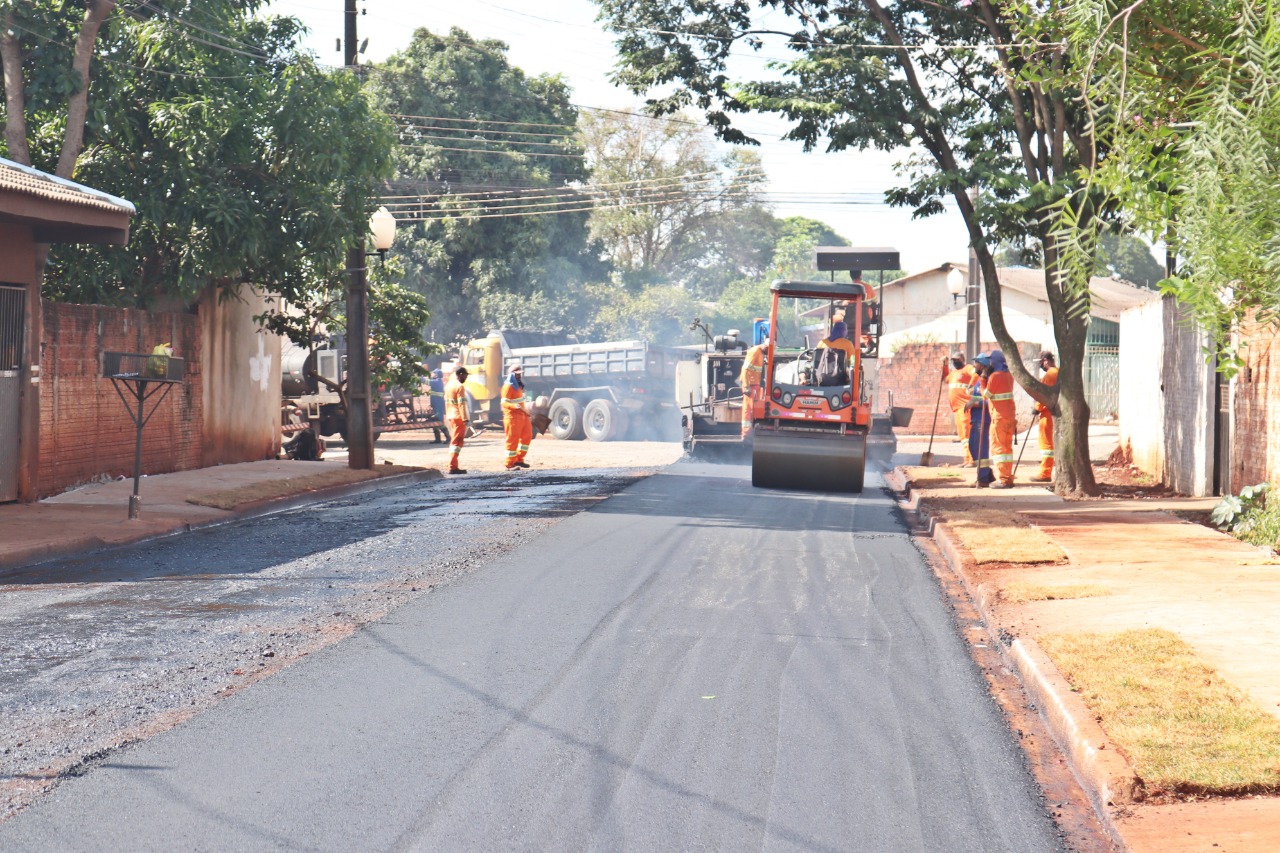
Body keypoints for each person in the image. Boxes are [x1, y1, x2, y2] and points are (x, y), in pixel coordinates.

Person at [984, 350, 1017, 488]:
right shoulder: (1009, 375)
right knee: (1007, 449)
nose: (989, 363)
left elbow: (986, 395)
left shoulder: (995, 376)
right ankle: (1008, 478)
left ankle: (1003, 479)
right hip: (1010, 417)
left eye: (991, 361)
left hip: (999, 418)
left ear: (995, 362)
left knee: (998, 448)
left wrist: (982, 380)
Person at [943, 352, 976, 466]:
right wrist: (945, 365)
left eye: (957, 359)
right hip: (957, 409)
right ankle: (967, 459)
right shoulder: (953, 373)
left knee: (967, 433)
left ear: (962, 359)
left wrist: (971, 385)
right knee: (963, 436)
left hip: (964, 407)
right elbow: (945, 379)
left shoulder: (967, 368)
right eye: (953, 360)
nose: (955, 362)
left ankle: (971, 459)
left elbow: (976, 374)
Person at [967, 353, 995, 487]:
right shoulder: (980, 380)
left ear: (983, 365)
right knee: (973, 446)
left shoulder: (989, 380)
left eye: (976, 363)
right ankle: (986, 473)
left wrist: (974, 404)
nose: (974, 365)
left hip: (983, 418)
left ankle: (983, 478)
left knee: (980, 448)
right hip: (976, 418)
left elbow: (990, 401)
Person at [738, 320, 769, 436]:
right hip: (750, 385)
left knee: (753, 408)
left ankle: (750, 431)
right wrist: (746, 387)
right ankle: (746, 433)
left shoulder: (761, 353)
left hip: (754, 384)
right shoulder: (755, 351)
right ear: (765, 346)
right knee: (748, 409)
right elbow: (746, 369)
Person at [1032, 351, 1059, 482]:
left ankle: (1045, 473)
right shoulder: (1058, 372)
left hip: (1047, 413)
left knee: (1046, 445)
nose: (1040, 365)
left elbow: (1044, 394)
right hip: (1054, 412)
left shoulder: (1050, 375)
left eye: (1041, 362)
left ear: (1046, 360)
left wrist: (1037, 408)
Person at [501, 363, 533, 470]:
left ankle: (519, 460)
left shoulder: (518, 386)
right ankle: (509, 464)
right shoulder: (508, 387)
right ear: (512, 375)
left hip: (522, 417)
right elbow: (504, 403)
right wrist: (515, 406)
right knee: (512, 441)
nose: (520, 376)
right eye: (518, 374)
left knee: (527, 437)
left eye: (520, 374)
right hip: (512, 418)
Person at [444, 366, 470, 474]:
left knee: (455, 441)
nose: (466, 378)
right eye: (465, 375)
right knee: (457, 442)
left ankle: (453, 465)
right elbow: (461, 404)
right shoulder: (459, 386)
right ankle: (452, 466)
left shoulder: (449, 385)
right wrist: (465, 418)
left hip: (451, 416)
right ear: (460, 374)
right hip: (458, 417)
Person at [428, 368, 447, 444]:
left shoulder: (437, 382)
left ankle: (448, 437)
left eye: (433, 373)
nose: (432, 375)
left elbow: (426, 381)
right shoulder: (437, 382)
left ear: (436, 375)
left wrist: (417, 377)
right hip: (436, 404)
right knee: (435, 421)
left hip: (438, 405)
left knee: (439, 421)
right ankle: (437, 439)